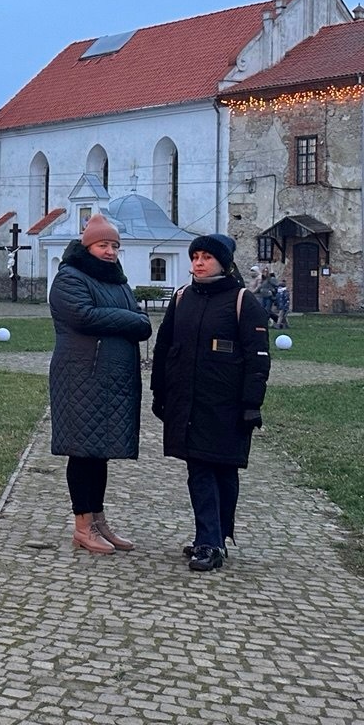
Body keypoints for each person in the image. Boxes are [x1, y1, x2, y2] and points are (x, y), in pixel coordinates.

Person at [150, 233, 270, 573]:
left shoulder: (243, 302)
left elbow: (258, 358)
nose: (198, 263)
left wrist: (252, 403)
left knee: (224, 470)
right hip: (189, 404)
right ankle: (209, 541)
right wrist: (160, 392)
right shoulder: (182, 298)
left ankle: (216, 536)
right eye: (195, 256)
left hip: (227, 405)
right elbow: (164, 349)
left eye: (206, 257)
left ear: (224, 262)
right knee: (200, 470)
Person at [48, 213, 152, 554]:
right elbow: (84, 316)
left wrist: (132, 321)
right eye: (103, 245)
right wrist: (130, 320)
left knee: (100, 452)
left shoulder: (118, 282)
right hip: (81, 377)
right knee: (82, 452)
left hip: (112, 380)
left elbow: (144, 323)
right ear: (87, 245)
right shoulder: (69, 278)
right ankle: (82, 525)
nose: (110, 251)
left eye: (114, 246)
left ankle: (98, 520)